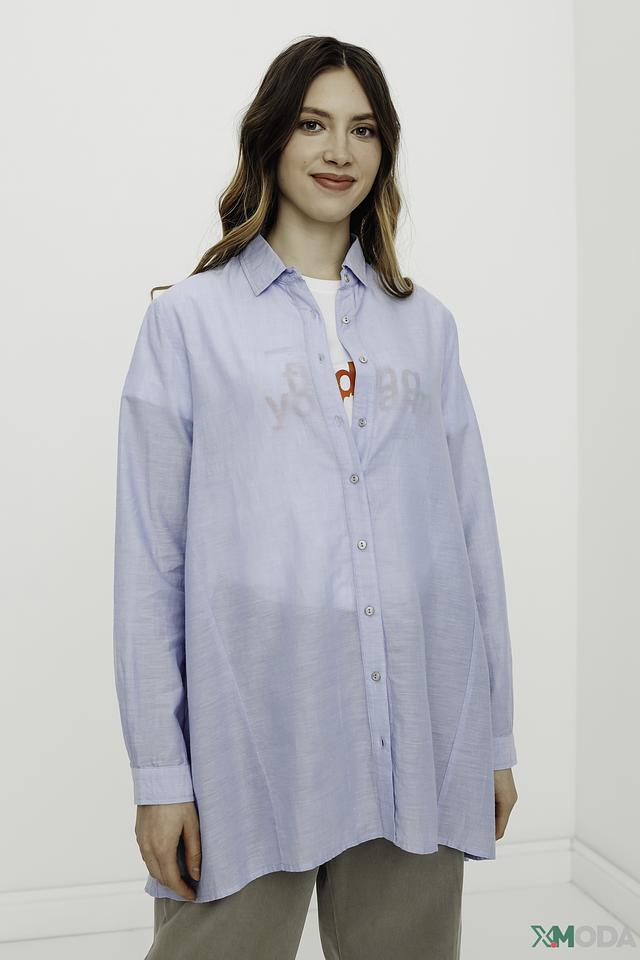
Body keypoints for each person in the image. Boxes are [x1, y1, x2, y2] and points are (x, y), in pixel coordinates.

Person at [113, 35, 518, 960]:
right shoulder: (188, 324)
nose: (339, 151)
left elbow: (472, 541)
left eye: (363, 130)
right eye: (313, 124)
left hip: (419, 729)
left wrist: (491, 741)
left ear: (385, 150)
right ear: (271, 136)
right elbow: (151, 563)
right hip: (254, 737)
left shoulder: (427, 328)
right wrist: (161, 775)